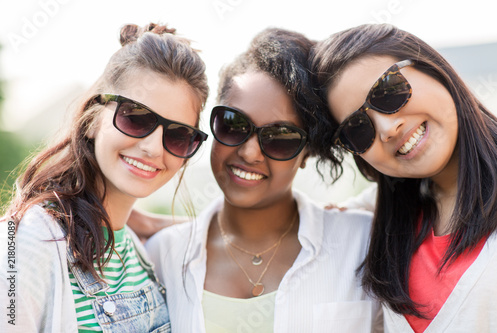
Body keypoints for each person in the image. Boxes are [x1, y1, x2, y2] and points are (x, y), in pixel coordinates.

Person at [144, 27, 382, 333]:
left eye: (280, 137)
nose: (250, 152)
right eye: (233, 124)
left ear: (307, 151)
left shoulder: (362, 246)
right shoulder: (162, 255)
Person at [0, 22, 209, 332]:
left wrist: (150, 223)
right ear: (93, 119)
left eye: (178, 135)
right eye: (136, 117)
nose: (153, 148)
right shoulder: (28, 242)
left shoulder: (136, 248)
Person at [310, 23, 497, 332]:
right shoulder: (379, 229)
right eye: (358, 129)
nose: (387, 129)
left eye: (388, 92)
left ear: (432, 66)